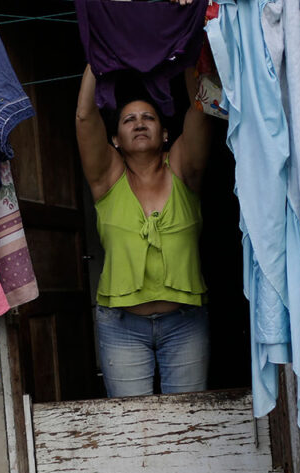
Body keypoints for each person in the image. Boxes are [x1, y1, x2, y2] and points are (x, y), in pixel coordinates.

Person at [76, 62, 214, 398]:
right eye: (129, 119)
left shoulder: (183, 170)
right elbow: (84, 117)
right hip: (121, 328)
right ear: (115, 139)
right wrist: (98, 54)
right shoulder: (106, 180)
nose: (139, 123)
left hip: (185, 325)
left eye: (149, 118)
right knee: (131, 432)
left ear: (165, 133)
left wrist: (187, 47)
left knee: (189, 425)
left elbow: (200, 107)